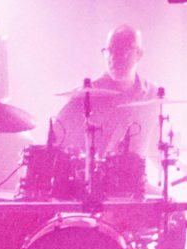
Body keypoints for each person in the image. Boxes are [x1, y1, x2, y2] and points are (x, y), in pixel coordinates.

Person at [53, 25, 160, 192]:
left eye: (122, 51)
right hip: (94, 186)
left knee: (171, 203)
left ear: (139, 54)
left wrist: (180, 167)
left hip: (134, 184)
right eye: (109, 51)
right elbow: (57, 139)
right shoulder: (86, 96)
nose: (114, 58)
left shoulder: (152, 94)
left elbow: (157, 146)